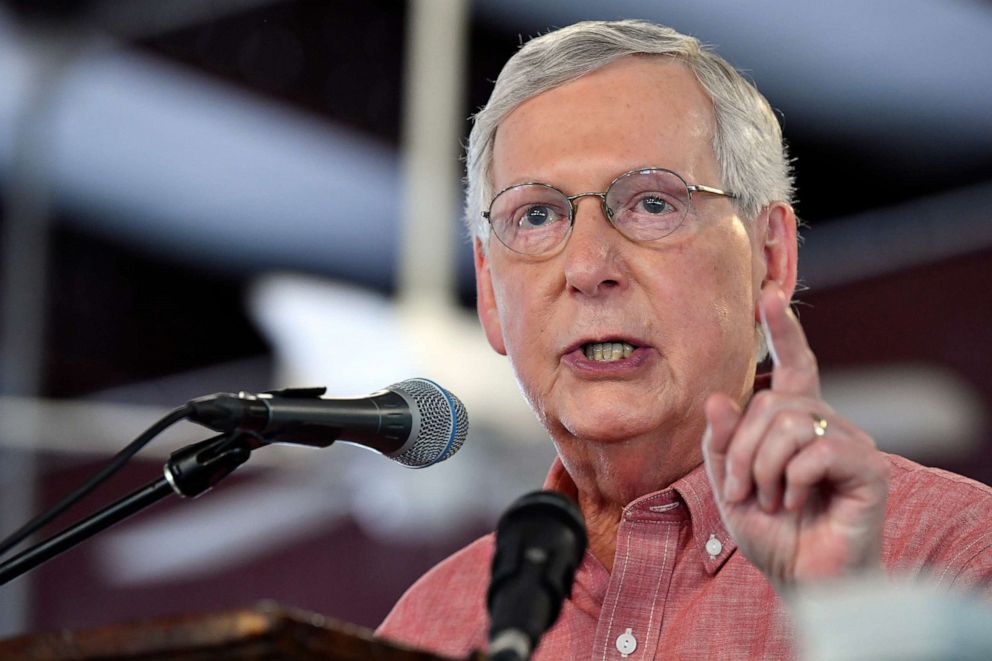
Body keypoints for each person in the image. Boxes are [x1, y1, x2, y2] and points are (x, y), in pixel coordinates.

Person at [376, 19, 992, 659]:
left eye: (651, 203)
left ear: (771, 258)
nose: (588, 267)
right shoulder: (428, 629)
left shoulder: (958, 557)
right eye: (536, 215)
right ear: (488, 290)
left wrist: (853, 622)